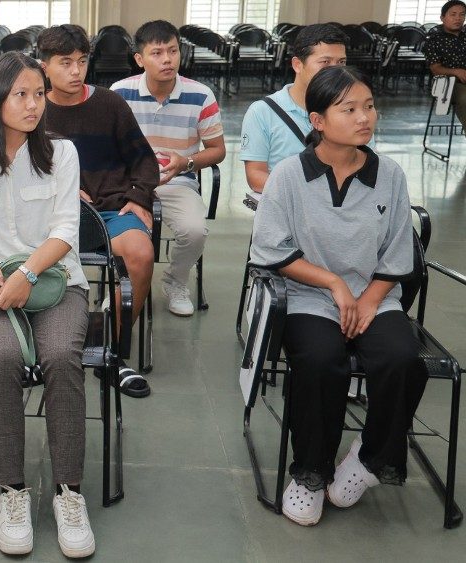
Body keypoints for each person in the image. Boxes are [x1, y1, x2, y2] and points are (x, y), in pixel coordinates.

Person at [249, 66, 427, 527]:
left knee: (403, 360)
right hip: (308, 297)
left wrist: (369, 299)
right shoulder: (289, 175)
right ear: (318, 120)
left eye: (369, 106)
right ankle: (310, 473)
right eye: (349, 109)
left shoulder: (390, 174)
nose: (364, 117)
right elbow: (270, 249)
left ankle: (368, 459)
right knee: (320, 360)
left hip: (375, 295)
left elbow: (398, 250)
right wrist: (333, 283)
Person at [0, 51, 94, 558]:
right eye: (20, 95)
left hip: (57, 283)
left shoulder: (61, 154)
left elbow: (66, 229)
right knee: (3, 358)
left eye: (39, 94)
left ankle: (69, 492)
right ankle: (12, 491)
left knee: (61, 357)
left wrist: (27, 274)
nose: (33, 105)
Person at [39, 24, 158, 398]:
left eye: (81, 61)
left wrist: (139, 197)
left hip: (108, 210)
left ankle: (113, 351)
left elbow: (144, 160)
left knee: (140, 254)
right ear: (44, 67)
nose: (76, 71)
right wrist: (60, 189)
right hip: (49, 215)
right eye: (65, 63)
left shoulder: (110, 104)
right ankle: (36, 348)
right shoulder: (32, 108)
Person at [112, 20, 226, 317]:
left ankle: (175, 281)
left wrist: (185, 162)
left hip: (178, 181)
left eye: (173, 51)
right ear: (139, 59)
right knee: (122, 231)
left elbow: (218, 150)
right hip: (129, 185)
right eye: (157, 53)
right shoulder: (119, 93)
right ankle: (122, 286)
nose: (167, 60)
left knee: (195, 231)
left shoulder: (201, 95)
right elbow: (107, 147)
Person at [239, 24, 348, 193]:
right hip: (288, 203)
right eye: (325, 62)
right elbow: (256, 177)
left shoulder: (353, 110)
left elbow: (368, 164)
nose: (335, 71)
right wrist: (310, 195)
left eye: (341, 62)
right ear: (297, 64)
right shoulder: (263, 112)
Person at [423, 0, 466, 131]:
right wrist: (457, 72)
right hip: (447, 84)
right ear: (442, 18)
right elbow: (435, 69)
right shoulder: (434, 39)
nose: (458, 18)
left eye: (462, 14)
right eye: (453, 14)